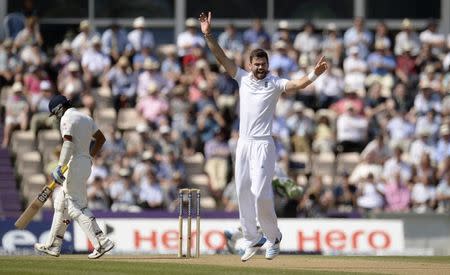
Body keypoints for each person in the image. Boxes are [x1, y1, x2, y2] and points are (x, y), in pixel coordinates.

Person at [199, 11, 327, 261]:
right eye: (256, 64)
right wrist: (208, 34)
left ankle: (273, 237)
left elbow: (298, 84)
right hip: (243, 144)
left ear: (268, 65)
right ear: (250, 65)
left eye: (263, 64)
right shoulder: (242, 78)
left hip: (263, 145)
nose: (259, 68)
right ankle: (250, 238)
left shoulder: (276, 83)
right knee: (243, 192)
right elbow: (220, 56)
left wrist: (314, 74)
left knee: (260, 193)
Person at [34, 95, 114, 259]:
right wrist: (89, 157)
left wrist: (59, 166)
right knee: (60, 204)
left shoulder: (66, 119)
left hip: (74, 164)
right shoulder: (86, 117)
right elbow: (101, 139)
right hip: (84, 163)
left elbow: (68, 143)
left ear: (59, 109)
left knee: (73, 207)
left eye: (55, 113)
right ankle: (53, 245)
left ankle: (101, 243)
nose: (56, 117)